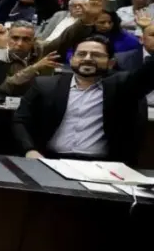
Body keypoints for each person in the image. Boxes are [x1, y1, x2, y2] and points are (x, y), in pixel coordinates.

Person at [13, 34, 154, 164]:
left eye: (96, 55)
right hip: (50, 160)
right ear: (71, 59)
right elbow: (20, 120)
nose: (87, 58)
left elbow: (147, 75)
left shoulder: (122, 86)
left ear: (110, 63)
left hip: (103, 166)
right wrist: (29, 150)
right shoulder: (46, 85)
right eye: (81, 54)